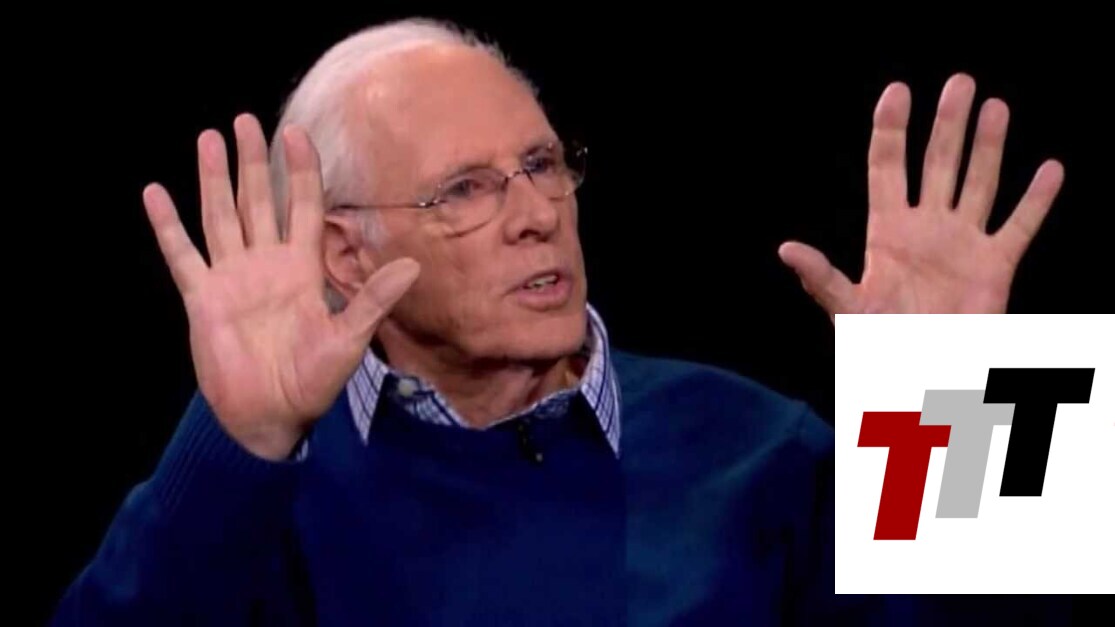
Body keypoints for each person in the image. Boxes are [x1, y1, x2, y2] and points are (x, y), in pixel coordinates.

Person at [50, 17, 1068, 626]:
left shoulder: (759, 448)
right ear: (345, 254)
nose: (535, 212)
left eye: (541, 165)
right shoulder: (267, 498)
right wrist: (237, 442)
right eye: (464, 189)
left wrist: (962, 393)